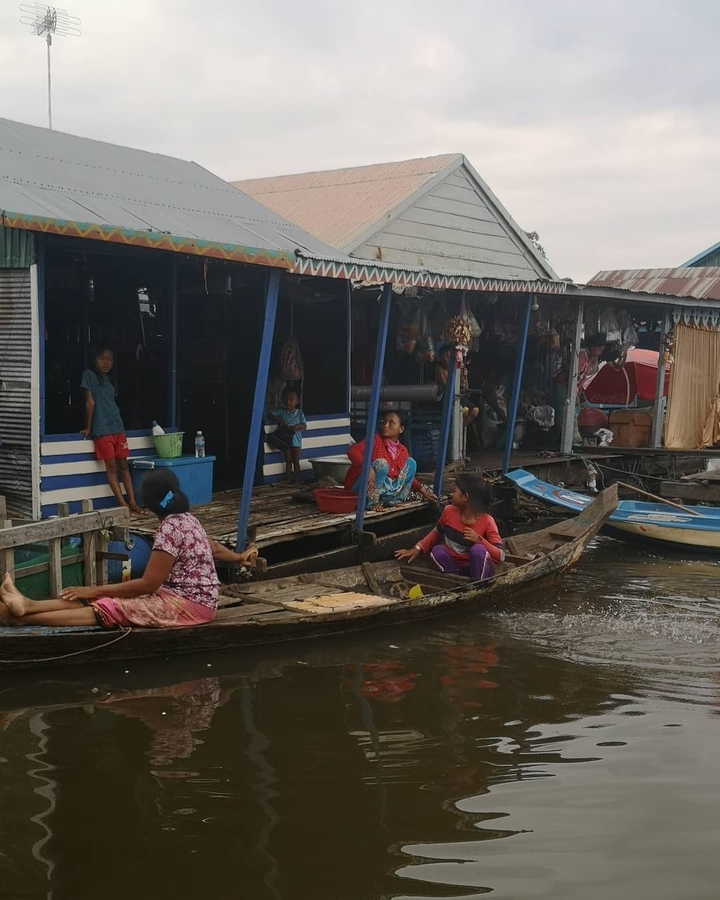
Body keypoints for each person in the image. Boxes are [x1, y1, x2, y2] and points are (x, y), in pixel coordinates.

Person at [0, 469, 259, 629]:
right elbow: (212, 548)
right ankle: (28, 605)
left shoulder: (170, 528)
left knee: (111, 608)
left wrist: (93, 589)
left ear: (148, 505)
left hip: (190, 606)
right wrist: (239, 557)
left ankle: (21, 618)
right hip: (188, 599)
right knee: (101, 599)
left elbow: (147, 585)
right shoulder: (188, 518)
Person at [395, 473, 504, 580]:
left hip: (478, 570)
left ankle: (478, 585)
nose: (452, 494)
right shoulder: (448, 511)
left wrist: (479, 541)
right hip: (455, 568)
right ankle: (455, 580)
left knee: (478, 550)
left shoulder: (487, 521)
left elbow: (500, 556)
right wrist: (417, 549)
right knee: (437, 550)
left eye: (455, 491)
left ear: (465, 497)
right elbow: (436, 533)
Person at [80, 345, 142, 514]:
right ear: (94, 359)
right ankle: (123, 504)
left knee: (124, 465)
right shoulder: (89, 375)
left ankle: (133, 502)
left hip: (118, 426)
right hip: (102, 429)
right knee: (113, 468)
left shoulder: (111, 379)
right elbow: (90, 403)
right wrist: (88, 427)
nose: (106, 362)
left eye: (110, 359)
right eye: (102, 358)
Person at [345, 410, 436, 510]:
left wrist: (422, 490)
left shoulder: (402, 451)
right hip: (361, 488)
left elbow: (405, 475)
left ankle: (394, 501)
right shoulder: (375, 441)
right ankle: (372, 503)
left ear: (401, 429)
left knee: (411, 463)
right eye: (384, 421)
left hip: (384, 489)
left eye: (391, 423)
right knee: (382, 464)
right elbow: (352, 451)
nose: (385, 425)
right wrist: (367, 468)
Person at [553, 333, 606, 446]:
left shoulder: (587, 357)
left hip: (571, 389)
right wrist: (575, 394)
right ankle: (565, 443)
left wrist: (578, 393)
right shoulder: (581, 356)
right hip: (563, 386)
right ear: (593, 348)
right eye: (600, 350)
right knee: (565, 415)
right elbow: (572, 378)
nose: (600, 353)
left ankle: (570, 442)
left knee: (574, 413)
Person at [269, 387, 307, 484]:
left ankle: (297, 480)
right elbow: (270, 414)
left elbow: (305, 426)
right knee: (288, 461)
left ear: (297, 401)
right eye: (285, 399)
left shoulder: (299, 413)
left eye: (291, 399)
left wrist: (298, 426)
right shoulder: (281, 412)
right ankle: (288, 479)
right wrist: (279, 420)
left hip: (296, 441)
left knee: (296, 461)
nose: (288, 402)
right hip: (285, 440)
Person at [435, 345, 480, 428]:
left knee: (474, 411)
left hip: (458, 396)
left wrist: (464, 377)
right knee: (467, 411)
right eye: (442, 357)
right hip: (448, 398)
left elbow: (465, 387)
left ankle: (458, 428)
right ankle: (455, 429)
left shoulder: (457, 369)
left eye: (448, 356)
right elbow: (446, 386)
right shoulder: (439, 369)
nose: (445, 359)